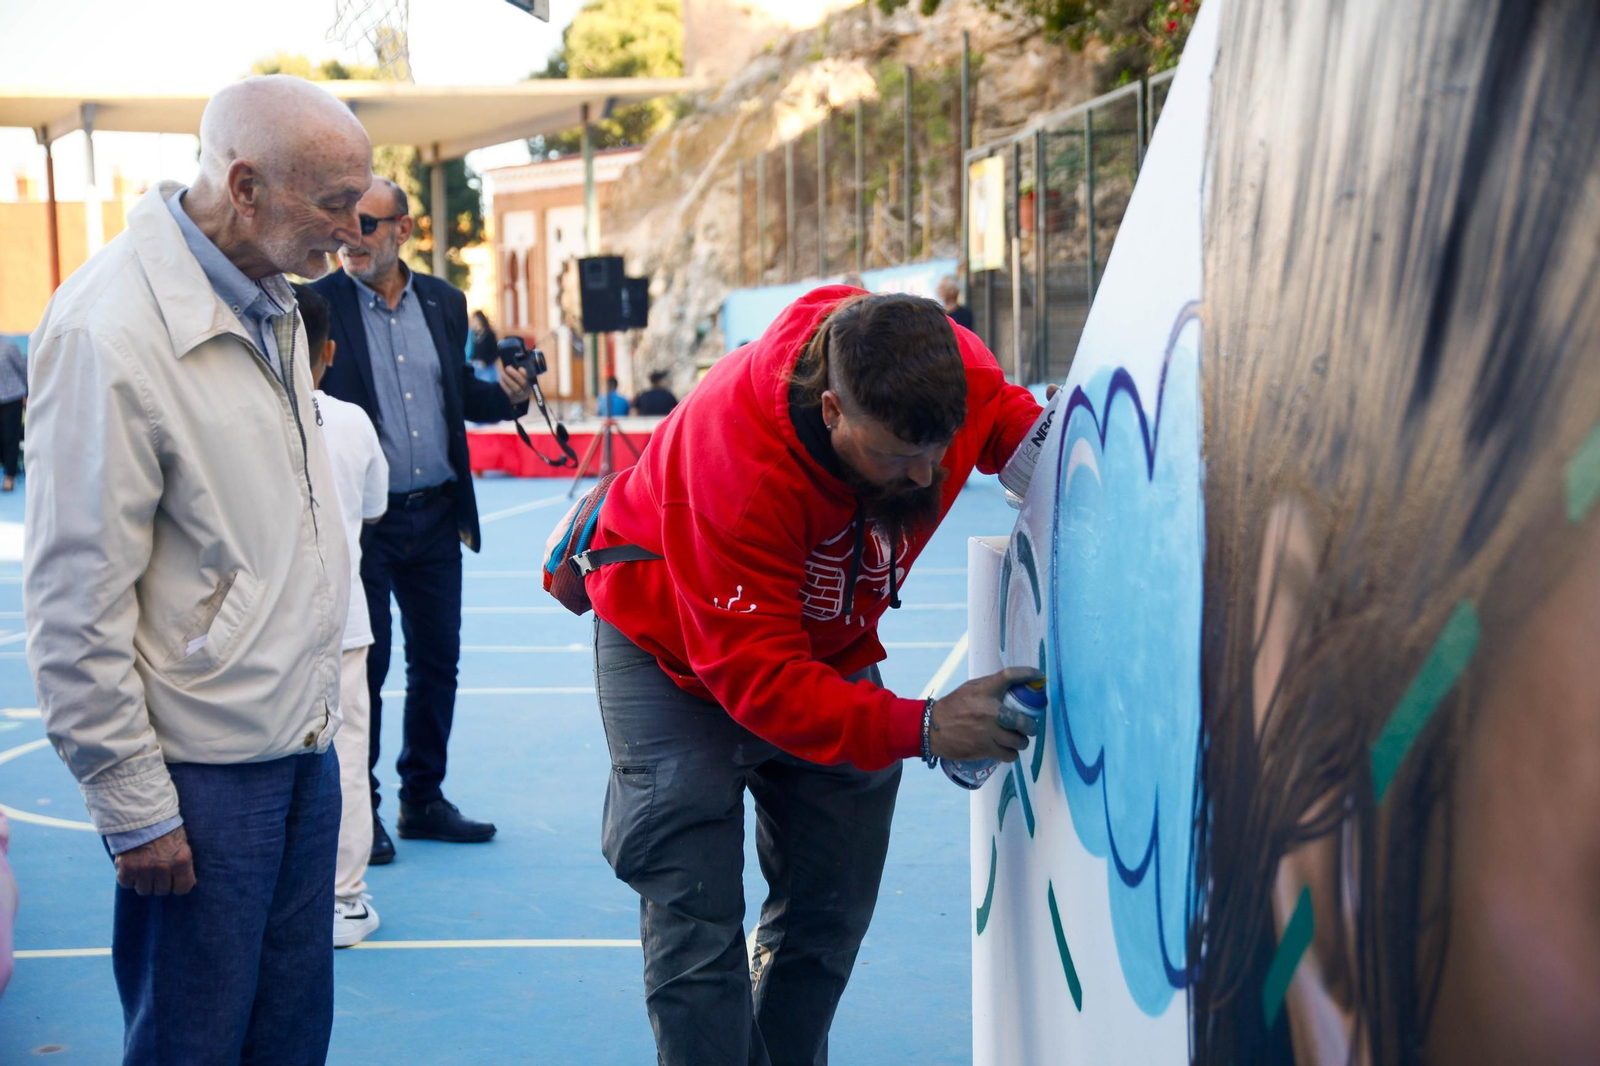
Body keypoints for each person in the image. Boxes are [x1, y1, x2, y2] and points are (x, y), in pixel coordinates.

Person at [584, 287, 1048, 1064]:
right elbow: (760, 682)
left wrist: (1063, 461)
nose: (926, 475)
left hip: (823, 638)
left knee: (831, 905)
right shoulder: (736, 466)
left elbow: (1003, 416)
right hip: (672, 651)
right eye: (897, 455)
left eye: (939, 448)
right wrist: (926, 727)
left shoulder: (949, 375)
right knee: (694, 915)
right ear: (832, 410)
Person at [22, 75, 365, 1063]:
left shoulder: (277, 300)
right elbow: (72, 597)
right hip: (201, 771)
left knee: (289, 1035)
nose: (351, 231)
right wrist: (130, 800)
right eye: (333, 204)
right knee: (193, 1040)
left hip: (297, 743)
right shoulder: (110, 330)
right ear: (247, 184)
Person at [314, 178, 531, 862]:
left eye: (368, 224)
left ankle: (423, 799)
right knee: (367, 670)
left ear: (404, 230)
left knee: (438, 663)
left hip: (437, 515)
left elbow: (459, 394)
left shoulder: (443, 300)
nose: (351, 236)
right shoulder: (315, 304)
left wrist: (512, 399)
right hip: (366, 526)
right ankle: (365, 811)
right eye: (345, 224)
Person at [295, 283, 390, 948]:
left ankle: (283, 896)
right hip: (343, 621)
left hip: (259, 629)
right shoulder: (353, 421)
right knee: (346, 759)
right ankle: (344, 899)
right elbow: (375, 507)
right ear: (329, 352)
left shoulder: (235, 421)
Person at [0, 337, 25, 492]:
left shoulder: (9, 347)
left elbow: (23, 370)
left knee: (10, 437)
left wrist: (29, 393)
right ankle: (10, 467)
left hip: (12, 397)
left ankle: (10, 476)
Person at [467, 310, 500, 385]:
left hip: (487, 369)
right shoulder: (471, 335)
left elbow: (495, 353)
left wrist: (486, 362)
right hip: (475, 367)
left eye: (475, 320)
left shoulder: (489, 335)